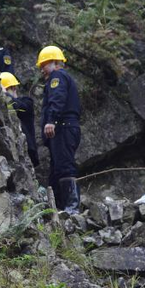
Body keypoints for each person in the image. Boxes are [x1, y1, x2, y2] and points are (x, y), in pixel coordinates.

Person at [37, 46, 81, 213]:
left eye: (44, 65)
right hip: (65, 128)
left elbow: (58, 98)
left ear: (55, 62)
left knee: (64, 166)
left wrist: (51, 120)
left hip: (63, 127)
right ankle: (61, 206)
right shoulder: (60, 77)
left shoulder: (58, 76)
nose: (42, 69)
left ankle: (72, 207)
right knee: (57, 169)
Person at [0, 71, 39, 167]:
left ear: (13, 88)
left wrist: (4, 93)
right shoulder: (1, 106)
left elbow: (16, 106)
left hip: (27, 149)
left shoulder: (27, 102)